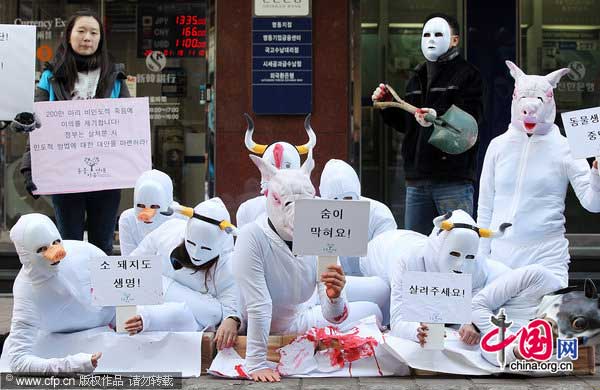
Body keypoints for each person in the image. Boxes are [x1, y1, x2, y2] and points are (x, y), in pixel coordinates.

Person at [233, 152, 383, 382]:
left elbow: (333, 315)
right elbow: (259, 305)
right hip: (261, 326)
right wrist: (256, 362)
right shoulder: (251, 235)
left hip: (300, 317)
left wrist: (335, 297)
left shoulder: (320, 230)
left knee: (375, 309)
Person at [4, 214, 197, 374]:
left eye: (56, 242)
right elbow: (17, 360)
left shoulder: (83, 253)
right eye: (42, 249)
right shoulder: (26, 292)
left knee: (183, 315)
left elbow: (126, 292)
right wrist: (69, 365)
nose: (57, 252)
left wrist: (142, 318)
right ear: (25, 255)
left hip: (115, 324)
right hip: (66, 341)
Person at [15, 10, 130, 255]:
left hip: (106, 174)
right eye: (81, 31)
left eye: (93, 32)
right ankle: (72, 293)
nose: (87, 37)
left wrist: (136, 165)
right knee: (68, 246)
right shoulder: (51, 76)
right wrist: (29, 167)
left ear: (100, 39)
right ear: (68, 36)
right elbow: (37, 125)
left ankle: (99, 293)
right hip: (64, 174)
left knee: (103, 246)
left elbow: (128, 124)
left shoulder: (115, 76)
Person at [477, 61, 600, 289]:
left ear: (550, 100)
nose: (530, 107)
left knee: (542, 323)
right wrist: (480, 259)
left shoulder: (566, 147)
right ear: (514, 99)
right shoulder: (498, 146)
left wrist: (597, 176)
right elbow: (485, 206)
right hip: (500, 258)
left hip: (546, 257)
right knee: (498, 321)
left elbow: (593, 204)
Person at [371, 13, 483, 235]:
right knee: (416, 249)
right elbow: (408, 126)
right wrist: (387, 107)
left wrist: (436, 115)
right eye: (426, 34)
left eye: (438, 33)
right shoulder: (416, 77)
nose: (431, 39)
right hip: (417, 180)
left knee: (457, 245)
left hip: (453, 180)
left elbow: (471, 121)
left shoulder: (468, 75)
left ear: (455, 40)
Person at [386, 210, 511, 347]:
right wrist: (415, 331)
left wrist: (470, 323)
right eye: (454, 254)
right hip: (389, 245)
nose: (460, 265)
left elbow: (474, 304)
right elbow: (397, 319)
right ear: (438, 245)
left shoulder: (477, 268)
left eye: (469, 257)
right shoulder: (409, 261)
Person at [131, 197, 241, 351]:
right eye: (191, 243)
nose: (196, 253)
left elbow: (229, 308)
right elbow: (132, 266)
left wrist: (232, 319)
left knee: (214, 314)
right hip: (149, 301)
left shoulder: (228, 263)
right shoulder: (168, 232)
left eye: (206, 249)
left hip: (190, 322)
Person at [236, 114, 316, 228]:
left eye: (287, 167)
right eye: (272, 166)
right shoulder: (248, 210)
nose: (280, 174)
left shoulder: (315, 208)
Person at [319, 158, 397, 275]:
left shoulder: (379, 215)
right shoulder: (316, 215)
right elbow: (318, 268)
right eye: (335, 200)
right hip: (331, 284)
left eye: (348, 199)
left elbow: (384, 262)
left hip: (371, 283)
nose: (342, 207)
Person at [118, 169, 185, 256]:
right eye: (141, 206)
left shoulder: (181, 217)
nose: (147, 214)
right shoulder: (128, 219)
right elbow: (129, 262)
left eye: (155, 207)